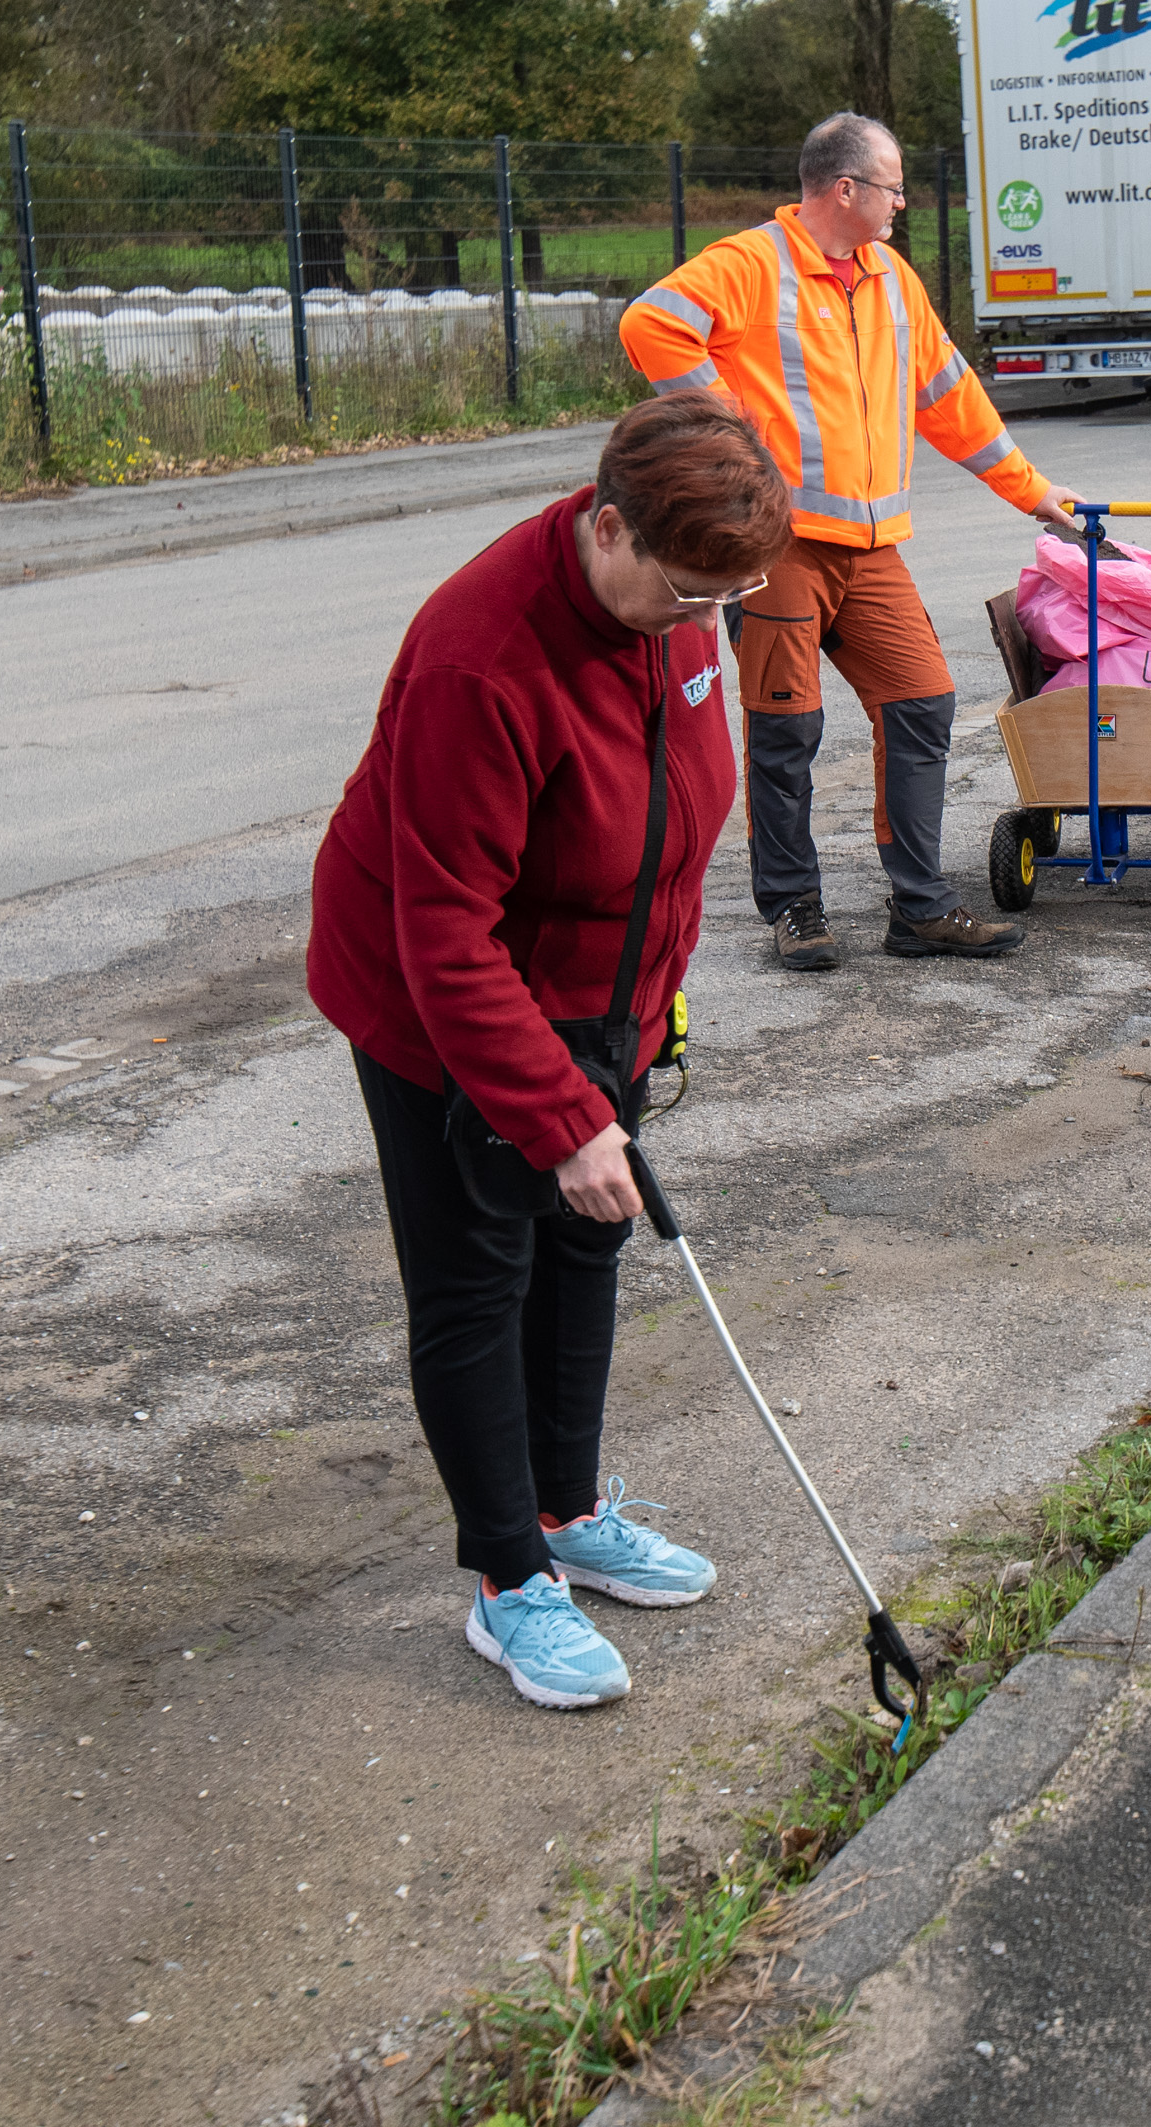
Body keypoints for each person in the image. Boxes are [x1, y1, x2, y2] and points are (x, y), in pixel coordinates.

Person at [306, 394, 796, 1712]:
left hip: (596, 998)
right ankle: (507, 1575)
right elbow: (445, 934)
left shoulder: (678, 618)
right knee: (478, 1278)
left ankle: (570, 1510)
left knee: (586, 1243)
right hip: (438, 1004)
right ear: (605, 526)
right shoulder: (483, 656)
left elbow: (669, 831)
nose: (700, 624)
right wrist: (555, 1113)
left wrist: (642, 1021)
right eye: (683, 594)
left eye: (723, 599)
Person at [621, 112, 1081, 969]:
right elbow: (650, 325)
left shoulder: (891, 279)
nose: (902, 202)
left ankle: (919, 908)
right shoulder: (751, 264)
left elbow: (948, 394)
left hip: (870, 550)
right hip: (778, 549)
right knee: (784, 728)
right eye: (893, 186)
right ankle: (794, 908)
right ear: (845, 189)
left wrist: (1031, 491)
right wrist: (734, 432)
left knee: (922, 703)